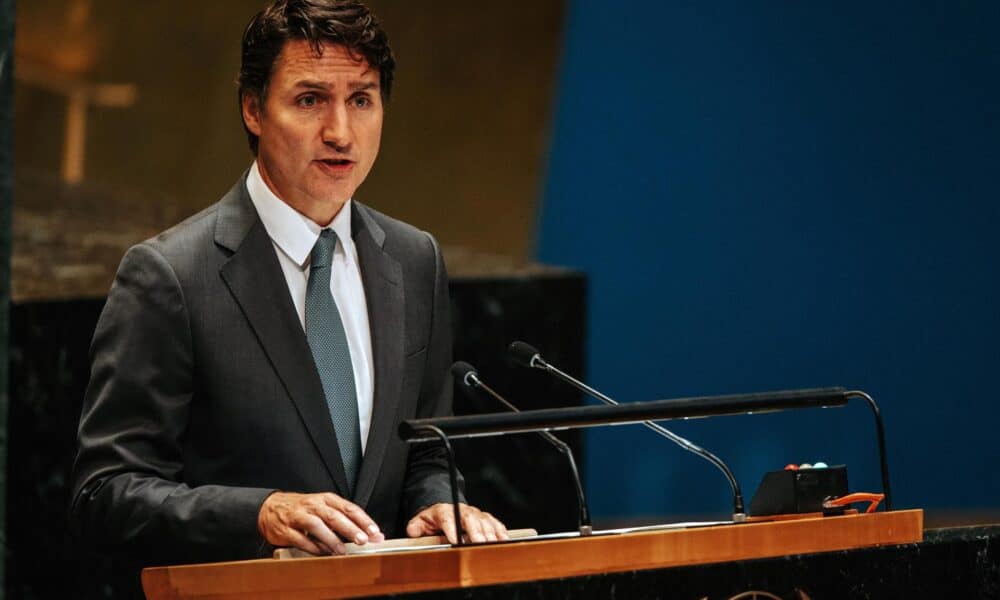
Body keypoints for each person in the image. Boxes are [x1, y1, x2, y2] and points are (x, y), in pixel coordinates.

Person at [70, 0, 506, 566]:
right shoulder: (170, 276)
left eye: (361, 100)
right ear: (253, 109)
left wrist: (440, 503)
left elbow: (424, 454)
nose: (340, 132)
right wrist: (259, 513)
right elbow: (105, 495)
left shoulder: (413, 259)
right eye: (310, 100)